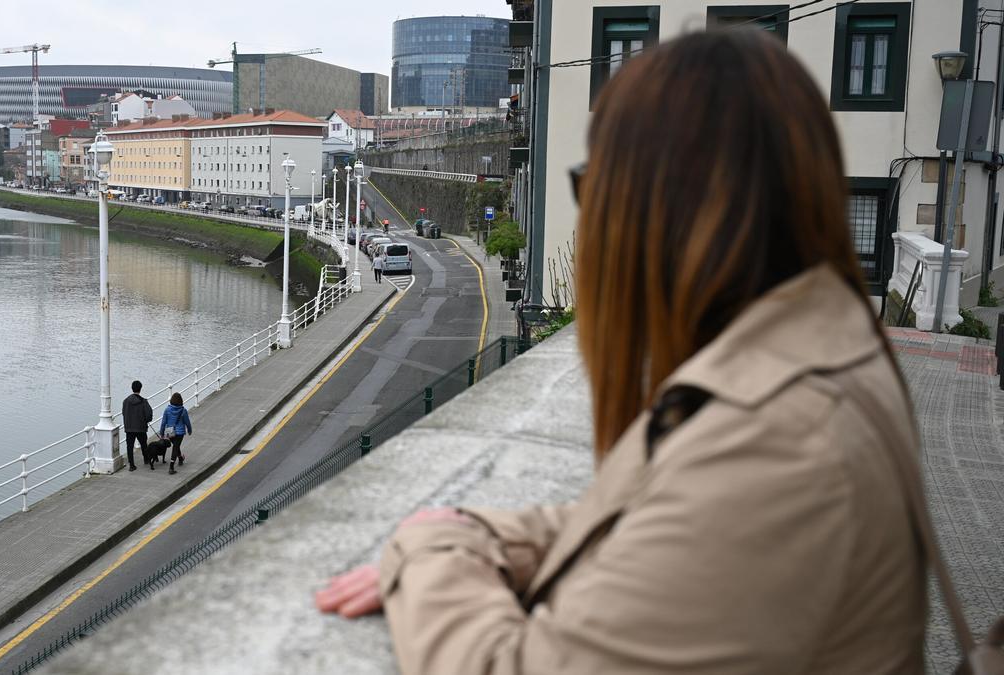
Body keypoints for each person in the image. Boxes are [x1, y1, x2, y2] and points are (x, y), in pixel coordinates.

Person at [315, 29, 926, 673]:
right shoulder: (814, 361)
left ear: (667, 209)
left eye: (595, 185)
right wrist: (474, 534)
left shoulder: (778, 443)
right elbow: (645, 526)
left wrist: (427, 551)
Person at [121, 380, 153, 471]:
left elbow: (123, 413)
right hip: (141, 427)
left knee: (129, 446)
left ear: (132, 388)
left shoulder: (126, 401)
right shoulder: (143, 401)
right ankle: (146, 459)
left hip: (129, 428)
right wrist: (146, 420)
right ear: (140, 389)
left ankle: (131, 465)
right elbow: (149, 415)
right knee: (143, 444)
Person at [158, 392, 192, 476]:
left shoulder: (167, 410)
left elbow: (163, 423)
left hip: (170, 432)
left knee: (176, 446)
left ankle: (180, 458)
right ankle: (171, 467)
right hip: (180, 432)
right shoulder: (183, 411)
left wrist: (161, 433)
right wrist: (189, 430)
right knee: (176, 447)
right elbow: (187, 422)